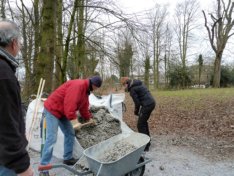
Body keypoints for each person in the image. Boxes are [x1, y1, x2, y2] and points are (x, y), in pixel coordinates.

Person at [39, 75, 102, 175]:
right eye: (97, 88)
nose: (96, 90)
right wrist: (74, 121)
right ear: (94, 85)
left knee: (70, 133)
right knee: (52, 138)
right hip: (52, 109)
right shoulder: (78, 86)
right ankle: (43, 168)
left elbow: (84, 107)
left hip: (62, 111)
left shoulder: (86, 91)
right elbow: (69, 105)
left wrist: (89, 118)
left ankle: (67, 158)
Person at [0, 20, 34, 176]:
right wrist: (22, 165)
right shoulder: (3, 73)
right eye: (19, 42)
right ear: (13, 43)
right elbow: (6, 124)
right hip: (5, 160)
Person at [121, 77, 155, 151]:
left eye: (124, 85)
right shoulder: (137, 83)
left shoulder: (132, 89)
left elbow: (137, 103)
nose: (124, 87)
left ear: (126, 83)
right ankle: (148, 141)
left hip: (147, 105)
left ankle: (145, 146)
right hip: (152, 103)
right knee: (143, 122)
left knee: (140, 125)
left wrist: (136, 111)